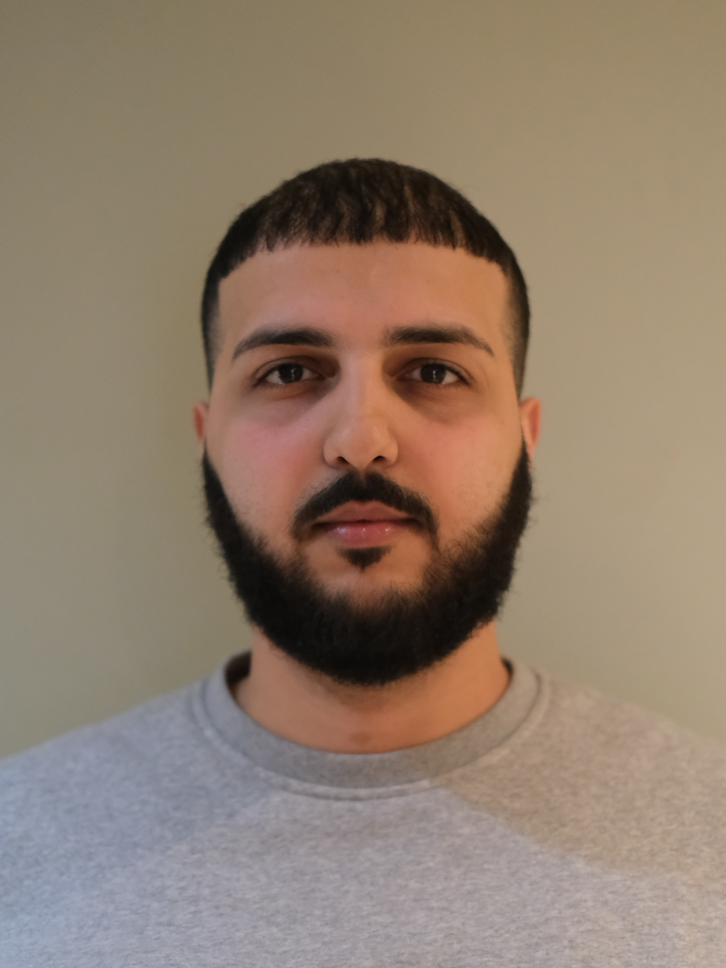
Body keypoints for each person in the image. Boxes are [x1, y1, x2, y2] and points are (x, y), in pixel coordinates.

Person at [2, 159, 725, 966]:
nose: (360, 440)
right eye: (288, 373)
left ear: (525, 438)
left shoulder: (708, 837)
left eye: (434, 372)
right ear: (208, 442)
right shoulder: (19, 847)